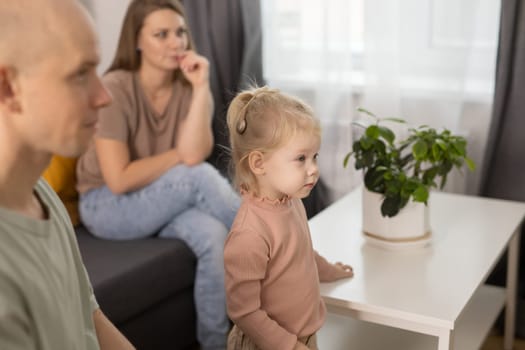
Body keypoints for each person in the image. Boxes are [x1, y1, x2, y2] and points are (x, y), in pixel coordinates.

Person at [76, 1, 240, 349]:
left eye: (180, 32)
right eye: (161, 34)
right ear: (137, 41)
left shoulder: (188, 87)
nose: (175, 43)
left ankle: (215, 345)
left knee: (213, 236)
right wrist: (179, 157)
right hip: (107, 205)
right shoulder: (115, 88)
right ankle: (275, 244)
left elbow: (194, 154)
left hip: (160, 199)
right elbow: (118, 178)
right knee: (196, 178)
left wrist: (200, 88)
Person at [0, 0, 135, 349]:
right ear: (8, 88)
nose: (104, 96)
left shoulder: (41, 194)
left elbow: (91, 318)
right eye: (80, 74)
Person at [224, 86, 354, 350]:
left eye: (314, 156)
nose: (314, 169)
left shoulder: (291, 202)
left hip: (302, 337)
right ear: (259, 164)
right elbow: (244, 312)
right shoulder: (249, 234)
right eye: (301, 159)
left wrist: (329, 270)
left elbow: (301, 254)